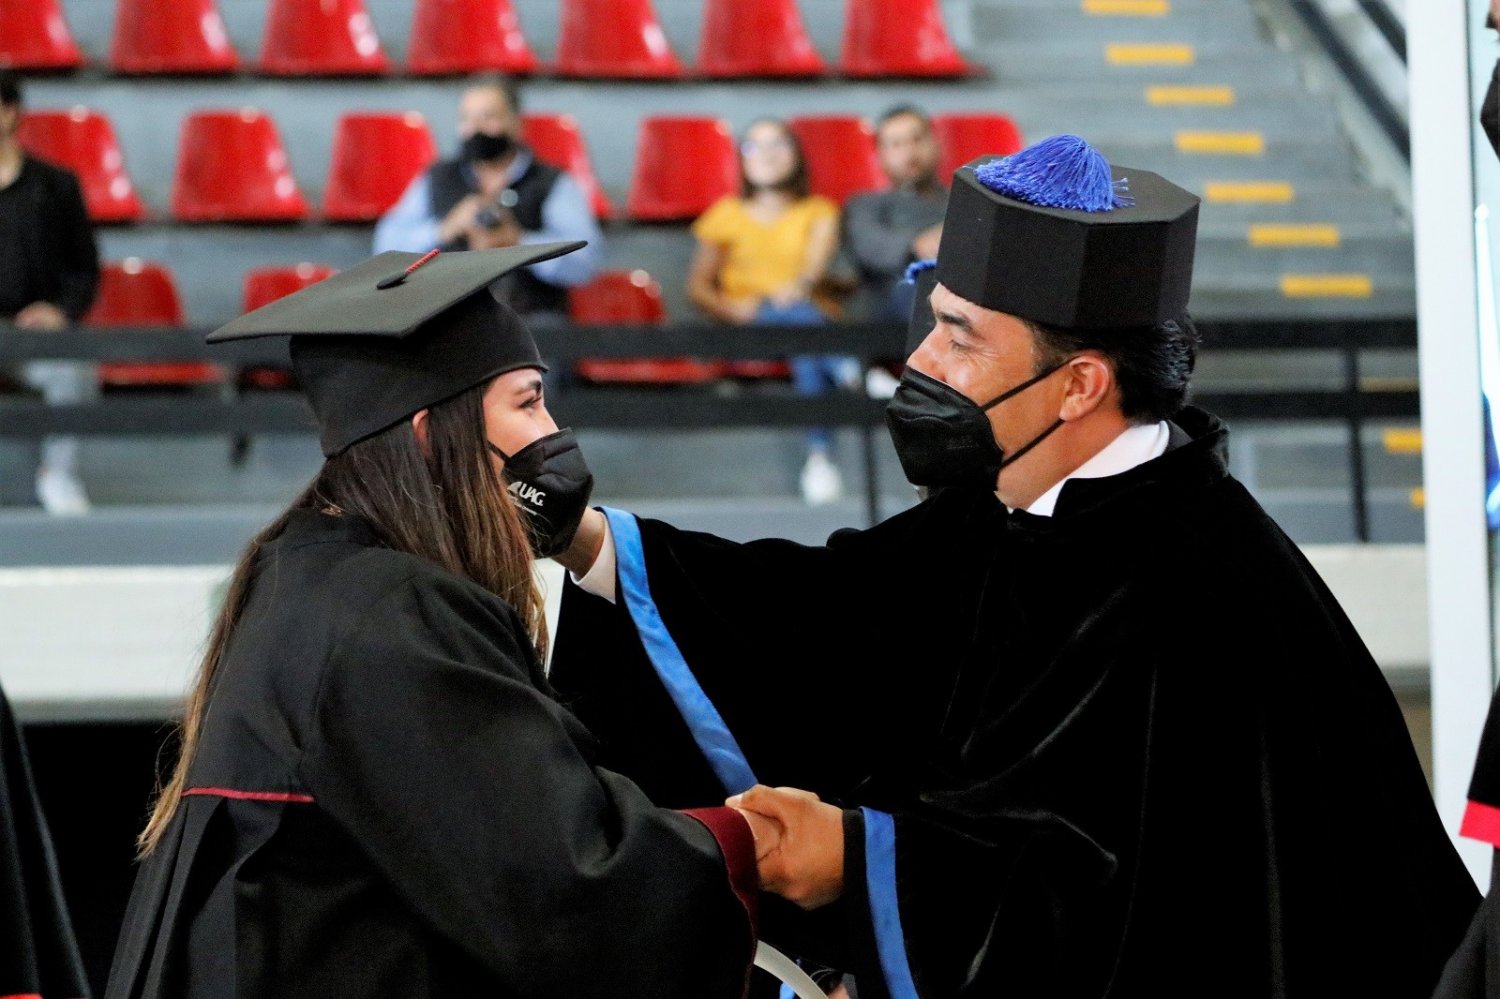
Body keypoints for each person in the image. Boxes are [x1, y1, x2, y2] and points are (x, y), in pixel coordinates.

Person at [548, 136, 1480, 997]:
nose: (920, 360)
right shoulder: (1000, 507)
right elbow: (827, 612)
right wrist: (588, 542)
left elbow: (1124, 909)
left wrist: (859, 857)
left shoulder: (1194, 583)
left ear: (1079, 385)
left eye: (961, 338)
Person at [104, 244, 767, 999]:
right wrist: (750, 843)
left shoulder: (305, 578)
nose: (552, 431)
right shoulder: (399, 616)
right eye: (528, 402)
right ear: (429, 433)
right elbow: (565, 885)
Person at [687, 117, 854, 506]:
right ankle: (847, 368)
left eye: (778, 144)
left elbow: (812, 269)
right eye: (754, 146)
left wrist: (796, 290)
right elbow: (698, 288)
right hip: (750, 327)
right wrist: (731, 310)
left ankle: (818, 459)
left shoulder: (819, 210)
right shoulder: (725, 213)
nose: (767, 154)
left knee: (805, 342)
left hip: (804, 322)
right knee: (806, 331)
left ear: (796, 156)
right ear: (741, 160)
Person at [372, 77, 600, 318]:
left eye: (489, 117)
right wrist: (444, 229)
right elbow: (386, 248)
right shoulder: (437, 178)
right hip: (449, 320)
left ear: (516, 123)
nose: (476, 129)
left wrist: (518, 242)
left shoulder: (551, 182)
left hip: (530, 322)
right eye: (467, 119)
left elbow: (585, 264)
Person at [0, 68, 100, 515]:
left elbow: (84, 269)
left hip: (35, 334)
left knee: (71, 369)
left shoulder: (56, 186)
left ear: (10, 112)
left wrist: (59, 312)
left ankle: (59, 474)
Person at [841, 105, 947, 326]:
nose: (909, 151)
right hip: (893, 296)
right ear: (880, 155)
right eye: (896, 144)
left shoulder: (962, 200)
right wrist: (916, 243)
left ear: (936, 144)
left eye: (917, 139)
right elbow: (868, 245)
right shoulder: (865, 204)